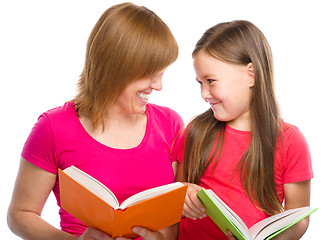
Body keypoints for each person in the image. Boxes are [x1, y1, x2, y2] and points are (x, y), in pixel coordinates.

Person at [7, 3, 183, 240]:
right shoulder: (53, 128)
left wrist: (160, 238)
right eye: (149, 73)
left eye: (161, 73)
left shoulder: (170, 124)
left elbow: (181, 219)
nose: (158, 85)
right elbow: (20, 214)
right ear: (115, 67)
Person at [176, 20, 313, 240]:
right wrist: (184, 193)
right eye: (199, 83)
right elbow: (177, 187)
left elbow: (299, 218)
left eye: (211, 81)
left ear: (251, 75)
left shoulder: (290, 140)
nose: (204, 93)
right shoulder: (195, 131)